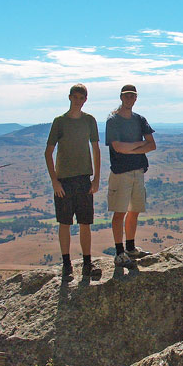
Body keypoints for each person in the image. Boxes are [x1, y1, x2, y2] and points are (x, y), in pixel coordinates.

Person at [44, 83, 101, 278]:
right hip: (64, 181)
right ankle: (67, 265)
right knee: (65, 223)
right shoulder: (59, 122)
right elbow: (48, 152)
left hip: (84, 179)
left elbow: (96, 149)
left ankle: (87, 264)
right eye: (75, 97)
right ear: (69, 97)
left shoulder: (90, 121)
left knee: (85, 223)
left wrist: (96, 179)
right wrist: (54, 181)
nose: (78, 101)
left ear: (85, 100)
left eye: (81, 98)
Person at [105, 84, 156, 269]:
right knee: (120, 212)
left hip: (138, 171)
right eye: (126, 96)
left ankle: (131, 248)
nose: (129, 99)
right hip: (121, 172)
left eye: (132, 96)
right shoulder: (113, 121)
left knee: (134, 211)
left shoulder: (140, 119)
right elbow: (118, 147)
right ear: (121, 97)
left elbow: (152, 145)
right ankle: (119, 253)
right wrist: (139, 145)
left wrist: (131, 148)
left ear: (136, 98)